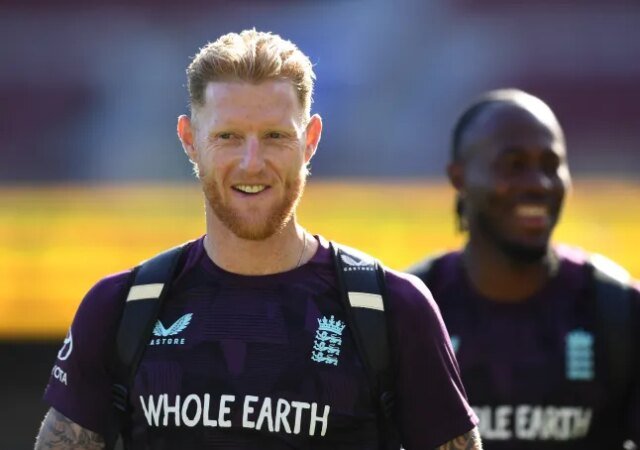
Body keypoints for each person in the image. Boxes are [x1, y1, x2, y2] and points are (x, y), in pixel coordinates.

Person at [35, 30, 481, 449]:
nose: (252, 163)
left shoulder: (391, 310)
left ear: (310, 140)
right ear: (190, 140)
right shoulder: (122, 307)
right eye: (228, 136)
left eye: (275, 136)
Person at [408, 88, 640, 449]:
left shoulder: (619, 311)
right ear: (459, 177)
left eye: (551, 165)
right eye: (514, 165)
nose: (538, 183)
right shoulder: (411, 312)